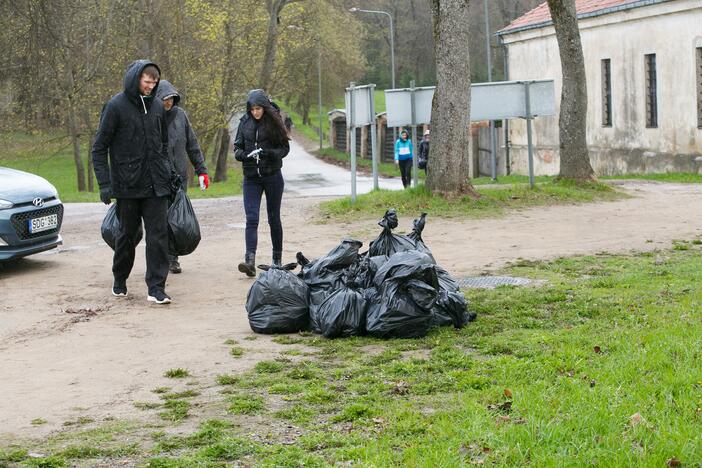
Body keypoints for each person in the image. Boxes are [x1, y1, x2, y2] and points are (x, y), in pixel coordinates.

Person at [92, 60, 174, 305]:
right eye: (147, 81)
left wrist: (168, 175)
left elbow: (163, 144)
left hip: (156, 185)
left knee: (158, 236)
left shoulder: (158, 107)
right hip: (127, 186)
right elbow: (99, 148)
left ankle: (156, 288)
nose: (151, 86)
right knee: (127, 235)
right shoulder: (115, 106)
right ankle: (120, 279)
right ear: (136, 78)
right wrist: (105, 184)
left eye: (154, 82)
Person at [233, 89, 291, 276]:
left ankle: (277, 259)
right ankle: (249, 260)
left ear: (264, 108)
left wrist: (269, 153)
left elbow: (284, 148)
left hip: (272, 175)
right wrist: (244, 156)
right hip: (251, 177)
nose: (255, 112)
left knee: (274, 218)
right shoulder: (244, 123)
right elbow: (237, 148)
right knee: (251, 218)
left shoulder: (274, 122)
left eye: (258, 108)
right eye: (252, 109)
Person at [155, 79, 209, 274]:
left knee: (176, 220)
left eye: (171, 99)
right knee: (160, 220)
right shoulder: (152, 117)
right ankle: (161, 257)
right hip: (159, 178)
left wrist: (201, 170)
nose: (168, 102)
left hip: (179, 177)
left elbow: (192, 145)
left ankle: (173, 258)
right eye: (164, 99)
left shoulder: (181, 117)